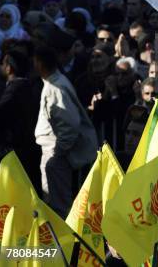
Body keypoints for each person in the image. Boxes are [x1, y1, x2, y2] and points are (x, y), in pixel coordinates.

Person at [34, 44, 96, 218]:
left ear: (39, 63)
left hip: (56, 152)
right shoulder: (55, 83)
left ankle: (65, 243)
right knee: (54, 203)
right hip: (54, 150)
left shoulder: (55, 88)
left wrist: (58, 152)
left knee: (59, 206)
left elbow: (69, 124)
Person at [0, 45, 41, 190]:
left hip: (18, 152)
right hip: (30, 150)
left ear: (9, 68)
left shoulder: (14, 90)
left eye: (3, 63)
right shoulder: (30, 87)